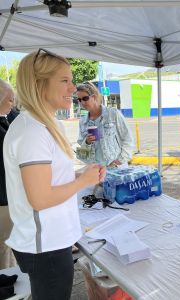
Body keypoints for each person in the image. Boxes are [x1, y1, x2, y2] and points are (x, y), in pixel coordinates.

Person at [3, 49, 106, 300]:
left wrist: (78, 174)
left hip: (51, 242)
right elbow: (40, 198)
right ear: (39, 84)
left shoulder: (45, 124)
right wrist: (83, 181)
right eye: (64, 81)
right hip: (45, 247)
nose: (73, 88)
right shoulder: (32, 130)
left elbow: (48, 179)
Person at [76, 81, 134, 167]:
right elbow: (82, 153)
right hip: (96, 171)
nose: (82, 103)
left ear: (94, 97)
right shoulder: (83, 121)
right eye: (79, 100)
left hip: (117, 170)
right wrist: (87, 142)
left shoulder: (113, 114)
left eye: (85, 98)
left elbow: (127, 139)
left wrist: (120, 161)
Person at [0, 79, 16, 270]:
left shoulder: (6, 119)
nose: (13, 105)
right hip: (3, 198)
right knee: (4, 246)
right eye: (10, 100)